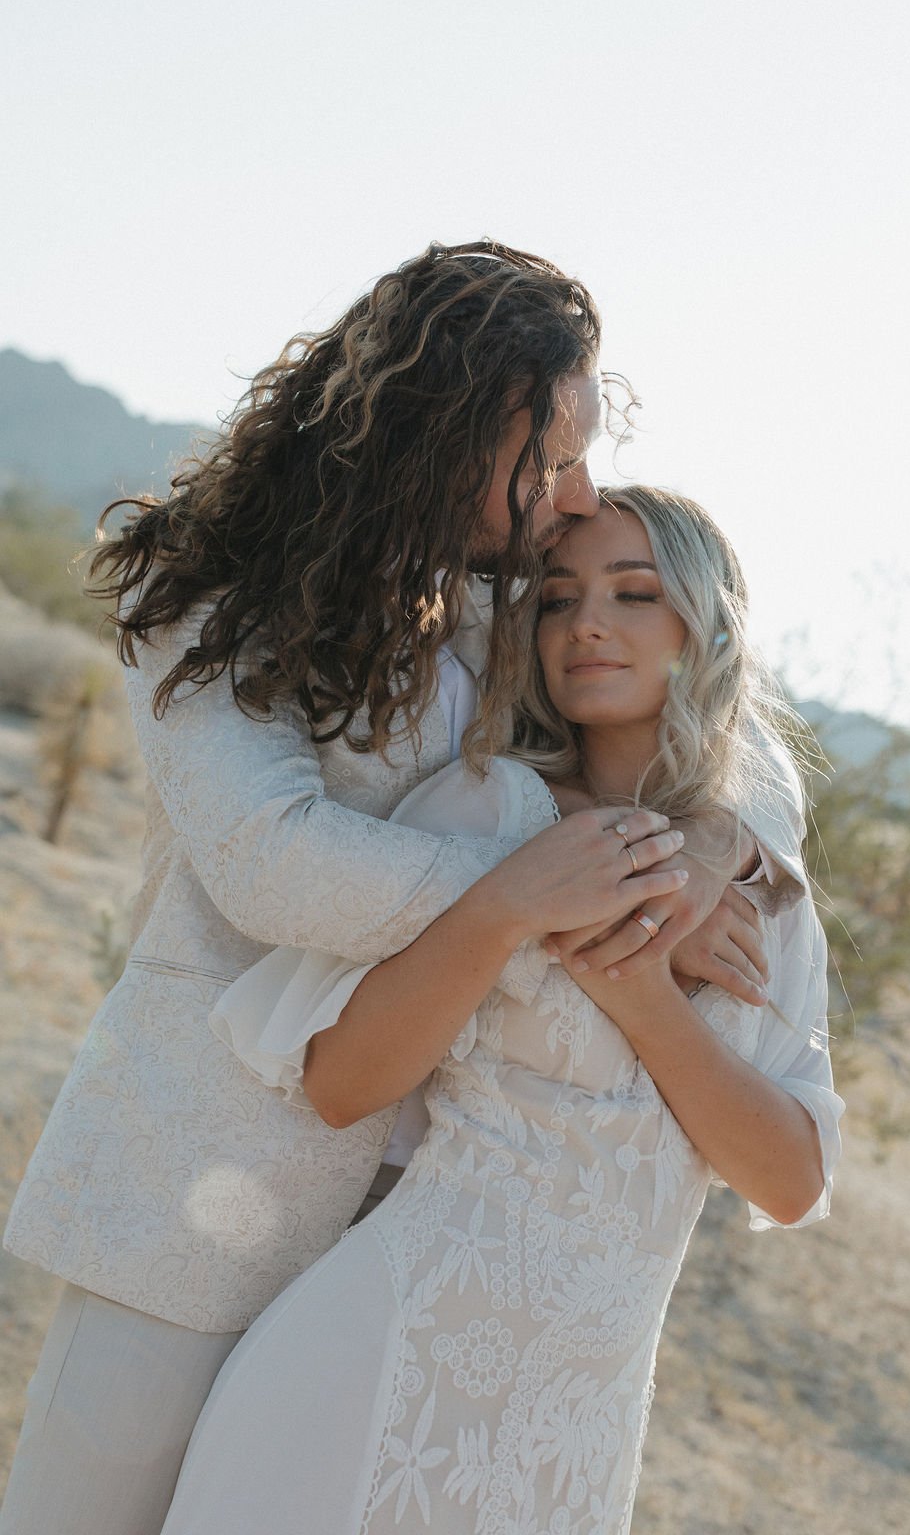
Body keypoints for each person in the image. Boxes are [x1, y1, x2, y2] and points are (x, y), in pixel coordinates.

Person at [0, 246, 799, 1535]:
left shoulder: (503, 601)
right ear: (436, 440)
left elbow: (722, 704)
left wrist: (701, 860)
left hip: (412, 1242)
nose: (574, 492)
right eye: (544, 462)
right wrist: (552, 891)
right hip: (191, 1192)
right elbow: (272, 861)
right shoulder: (198, 596)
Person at [156, 487, 842, 1535]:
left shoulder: (761, 898)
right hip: (376, 1359)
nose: (587, 625)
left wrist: (645, 997)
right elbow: (341, 1087)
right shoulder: (483, 806)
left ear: (702, 627)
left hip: (578, 1421)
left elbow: (791, 1182)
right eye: (557, 600)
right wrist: (510, 905)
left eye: (633, 593)